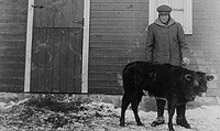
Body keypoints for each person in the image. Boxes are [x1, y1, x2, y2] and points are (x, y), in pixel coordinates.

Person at [145, 4, 191, 128]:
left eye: (166, 15)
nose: (164, 17)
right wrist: (150, 64)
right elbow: (149, 47)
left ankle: (181, 118)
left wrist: (185, 57)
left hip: (176, 66)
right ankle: (160, 117)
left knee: (180, 91)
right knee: (160, 91)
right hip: (160, 67)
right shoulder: (153, 28)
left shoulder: (177, 27)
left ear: (169, 15)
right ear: (158, 15)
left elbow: (183, 44)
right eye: (161, 15)